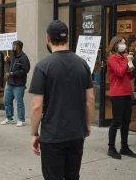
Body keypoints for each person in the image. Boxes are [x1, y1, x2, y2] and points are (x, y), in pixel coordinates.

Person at [29, 20, 95, 180]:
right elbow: (90, 100)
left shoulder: (43, 66)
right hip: (76, 133)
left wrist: (34, 133)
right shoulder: (83, 64)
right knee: (73, 176)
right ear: (68, 38)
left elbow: (37, 106)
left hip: (52, 135)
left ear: (48, 38)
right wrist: (87, 125)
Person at [106, 36, 136, 159]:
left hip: (127, 93)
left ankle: (124, 146)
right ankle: (111, 147)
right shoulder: (112, 58)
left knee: (126, 121)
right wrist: (126, 61)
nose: (124, 46)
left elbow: (129, 75)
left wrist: (131, 64)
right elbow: (119, 72)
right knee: (116, 121)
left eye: (125, 44)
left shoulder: (124, 57)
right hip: (117, 93)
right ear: (115, 45)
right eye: (122, 44)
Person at [1, 40, 30, 127]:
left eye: (14, 46)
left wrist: (11, 74)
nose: (12, 47)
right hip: (9, 83)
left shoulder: (24, 57)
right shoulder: (12, 56)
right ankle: (9, 118)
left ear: (19, 47)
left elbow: (25, 70)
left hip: (18, 84)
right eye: (12, 45)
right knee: (6, 100)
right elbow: (11, 67)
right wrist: (7, 61)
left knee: (19, 102)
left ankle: (21, 119)